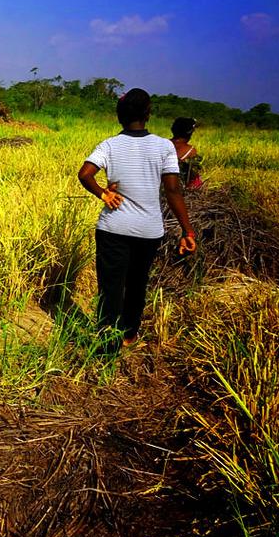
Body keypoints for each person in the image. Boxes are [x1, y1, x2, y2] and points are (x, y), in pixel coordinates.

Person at [77, 89, 197, 350]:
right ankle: (129, 335)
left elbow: (85, 174)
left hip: (112, 228)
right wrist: (188, 231)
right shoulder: (164, 146)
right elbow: (173, 190)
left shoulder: (109, 144)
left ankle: (107, 347)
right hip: (148, 231)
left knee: (110, 288)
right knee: (137, 284)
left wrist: (103, 194)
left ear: (119, 115)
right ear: (148, 114)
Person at [170, 117, 204, 189]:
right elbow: (192, 175)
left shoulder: (164, 143)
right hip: (177, 186)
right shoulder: (191, 150)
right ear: (190, 132)